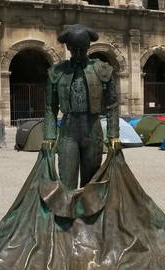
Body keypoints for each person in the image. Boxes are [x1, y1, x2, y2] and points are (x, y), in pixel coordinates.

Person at [42, 24, 120, 189]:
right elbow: (50, 106)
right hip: (68, 130)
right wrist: (49, 135)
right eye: (74, 50)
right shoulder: (57, 72)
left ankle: (87, 214)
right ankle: (67, 213)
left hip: (92, 128)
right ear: (68, 47)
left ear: (88, 47)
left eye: (82, 50)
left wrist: (113, 134)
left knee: (91, 182)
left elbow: (112, 104)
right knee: (67, 179)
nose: (78, 54)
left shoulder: (102, 69)